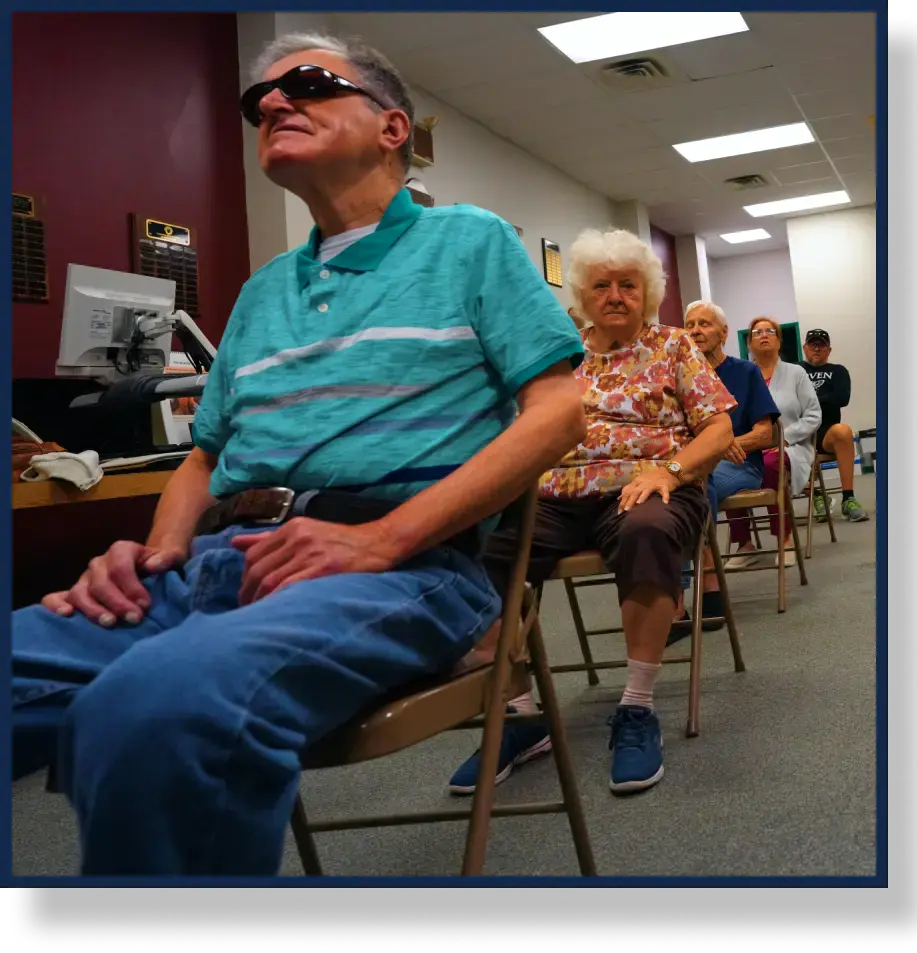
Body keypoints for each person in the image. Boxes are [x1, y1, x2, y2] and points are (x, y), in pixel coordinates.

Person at [11, 32, 589, 876]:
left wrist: (383, 538)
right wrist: (154, 553)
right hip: (220, 561)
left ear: (392, 127)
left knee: (156, 706)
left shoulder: (469, 243)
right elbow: (206, 456)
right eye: (259, 101)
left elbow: (561, 410)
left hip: (401, 567)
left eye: (307, 85)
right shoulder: (262, 290)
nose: (272, 104)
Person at [448, 228, 736, 797]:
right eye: (601, 284)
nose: (615, 295)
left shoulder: (674, 346)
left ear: (647, 292)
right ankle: (521, 717)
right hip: (556, 495)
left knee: (648, 530)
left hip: (650, 486)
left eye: (628, 284)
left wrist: (669, 472)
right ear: (581, 293)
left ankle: (636, 708)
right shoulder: (561, 356)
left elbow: (719, 427)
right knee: (474, 550)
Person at [680, 301, 781, 624]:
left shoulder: (745, 372)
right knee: (684, 486)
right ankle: (694, 591)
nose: (696, 330)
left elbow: (766, 434)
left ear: (723, 333)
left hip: (741, 467)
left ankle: (688, 592)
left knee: (695, 482)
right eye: (690, 324)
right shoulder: (681, 377)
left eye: (704, 324)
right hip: (695, 466)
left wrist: (720, 445)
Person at [724, 318, 821, 570]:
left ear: (779, 340)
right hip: (750, 446)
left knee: (770, 462)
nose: (764, 335)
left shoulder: (796, 373)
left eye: (770, 331)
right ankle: (744, 544)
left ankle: (784, 539)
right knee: (729, 464)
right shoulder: (743, 375)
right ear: (749, 342)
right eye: (757, 332)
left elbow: (813, 415)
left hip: (789, 445)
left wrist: (784, 438)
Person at [800, 329, 869, 522]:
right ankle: (817, 496)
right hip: (801, 432)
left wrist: (808, 400)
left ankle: (848, 499)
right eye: (812, 344)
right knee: (784, 446)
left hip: (827, 432)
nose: (816, 348)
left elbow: (841, 398)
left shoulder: (838, 371)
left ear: (828, 350)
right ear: (805, 347)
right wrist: (822, 399)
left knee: (844, 431)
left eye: (821, 345)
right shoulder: (795, 370)